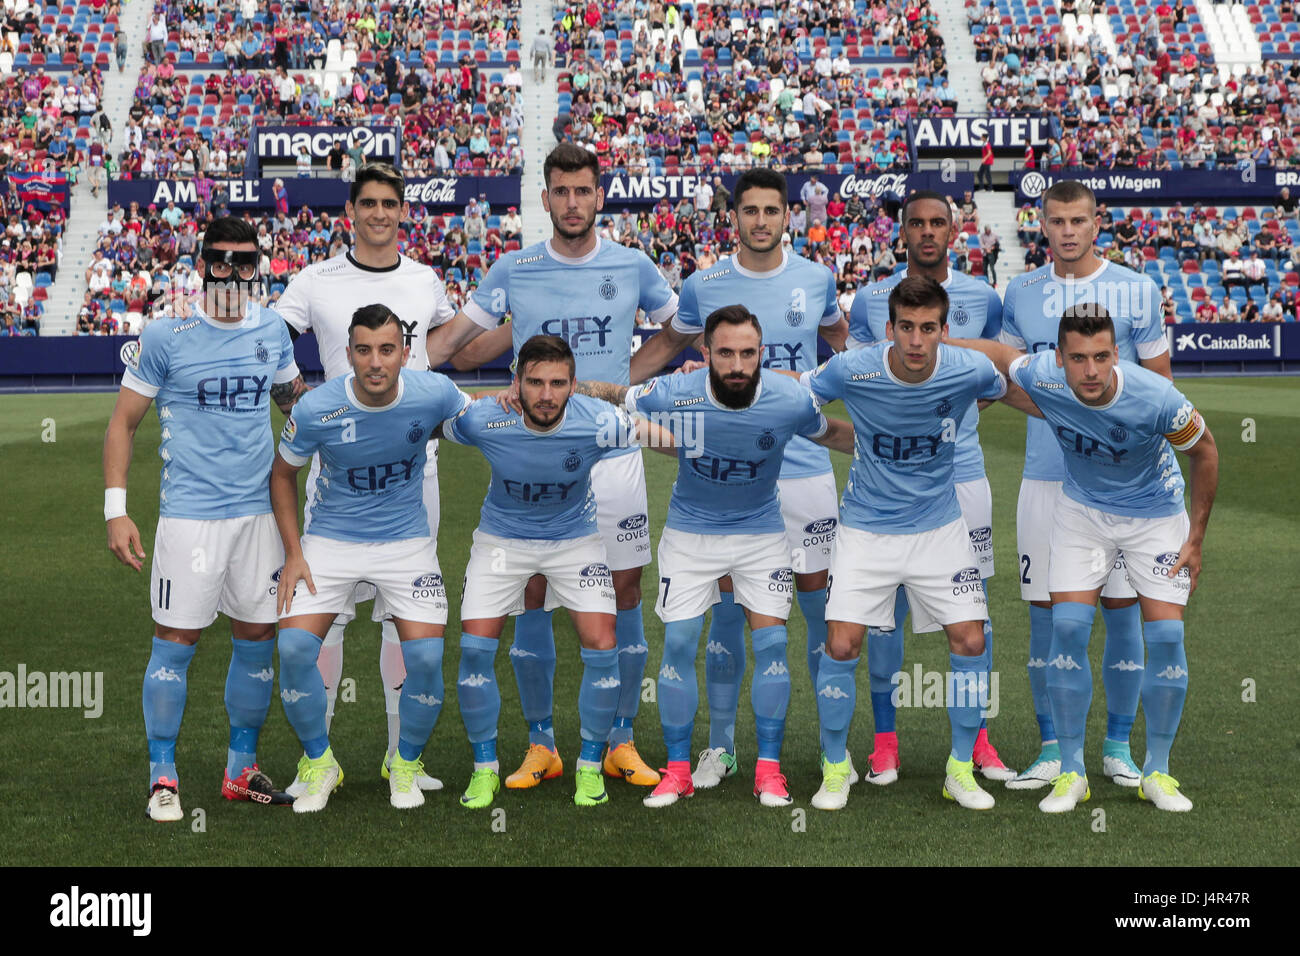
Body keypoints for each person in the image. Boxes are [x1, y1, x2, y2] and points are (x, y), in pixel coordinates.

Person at [426, 144, 680, 790]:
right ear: (544, 200)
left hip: (614, 453)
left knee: (624, 596)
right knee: (530, 593)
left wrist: (621, 384)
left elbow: (684, 331)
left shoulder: (632, 265)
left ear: (600, 196)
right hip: (535, 445)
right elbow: (458, 346)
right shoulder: (515, 268)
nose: (572, 203)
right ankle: (542, 743)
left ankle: (620, 739)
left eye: (583, 191)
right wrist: (394, 374)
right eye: (560, 192)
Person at [576, 305, 856, 807]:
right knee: (679, 643)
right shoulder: (674, 393)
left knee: (771, 645)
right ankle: (678, 770)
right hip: (690, 535)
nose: (737, 365)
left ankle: (768, 771)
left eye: (748, 354)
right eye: (725, 353)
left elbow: (831, 433)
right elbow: (617, 396)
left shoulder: (789, 398)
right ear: (705, 355)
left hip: (761, 535)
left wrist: (887, 445)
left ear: (762, 355)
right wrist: (564, 388)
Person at [953, 305, 1218, 812]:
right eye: (1078, 358)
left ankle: (1157, 771)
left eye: (1101, 357)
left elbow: (1204, 450)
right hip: (1083, 513)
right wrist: (933, 350)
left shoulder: (1155, 396)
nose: (1090, 371)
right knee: (1067, 629)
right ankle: (1071, 772)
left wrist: (1196, 536)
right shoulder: (1044, 375)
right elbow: (999, 355)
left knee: (1165, 634)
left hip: (1155, 516)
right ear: (1059, 358)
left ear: (1116, 354)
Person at [802, 276, 1037, 811]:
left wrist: (1087, 419)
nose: (915, 340)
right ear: (888, 329)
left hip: (940, 526)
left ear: (943, 331)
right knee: (841, 646)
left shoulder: (969, 369)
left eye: (927, 328)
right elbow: (800, 396)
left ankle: (959, 769)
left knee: (971, 641)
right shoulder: (852, 367)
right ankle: (836, 767)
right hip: (866, 528)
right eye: (905, 327)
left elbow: (1017, 394)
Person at [103, 216, 307, 821]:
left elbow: (296, 406)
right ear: (200, 264)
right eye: (219, 260)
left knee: (256, 638)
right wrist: (117, 510)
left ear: (258, 266)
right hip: (189, 517)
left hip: (259, 516)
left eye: (245, 261)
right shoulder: (166, 335)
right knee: (176, 641)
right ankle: (161, 775)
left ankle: (240, 769)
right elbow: (123, 425)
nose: (232, 272)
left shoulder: (272, 329)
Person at [275, 163, 459, 796]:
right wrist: (295, 400)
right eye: (369, 203)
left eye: (390, 203)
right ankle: (317, 760)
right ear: (351, 210)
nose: (380, 213)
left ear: (403, 210)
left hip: (415, 473)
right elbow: (271, 339)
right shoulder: (315, 280)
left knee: (402, 623)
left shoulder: (425, 279)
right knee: (329, 622)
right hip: (336, 476)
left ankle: (396, 755)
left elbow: (443, 350)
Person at [664, 169, 850, 789]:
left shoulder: (817, 278)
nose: (762, 221)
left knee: (820, 609)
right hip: (734, 480)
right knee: (724, 610)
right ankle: (721, 748)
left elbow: (839, 345)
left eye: (773, 210)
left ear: (788, 216)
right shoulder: (703, 284)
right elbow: (678, 349)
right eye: (751, 211)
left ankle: (831, 754)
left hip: (805, 469)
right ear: (734, 216)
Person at [439, 335, 677, 809]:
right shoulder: (488, 418)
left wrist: (712, 439)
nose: (546, 394)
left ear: (573, 386)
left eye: (557, 383)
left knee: (602, 644)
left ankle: (591, 767)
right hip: (502, 543)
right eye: (535, 383)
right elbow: (425, 424)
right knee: (473, 649)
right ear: (518, 383)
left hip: (575, 543)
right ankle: (486, 768)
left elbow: (670, 439)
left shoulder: (599, 421)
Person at [1001, 179, 1173, 791]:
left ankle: (1119, 746)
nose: (1067, 231)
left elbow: (1161, 388)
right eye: (1056, 221)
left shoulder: (1137, 289)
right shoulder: (1019, 292)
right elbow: (1006, 378)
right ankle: (1053, 747)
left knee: (1124, 613)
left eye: (1078, 220)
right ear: (1040, 225)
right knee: (1048, 616)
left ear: (1097, 222)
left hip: (1126, 485)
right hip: (1047, 478)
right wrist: (1060, 414)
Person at [846, 190, 1015, 786]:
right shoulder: (871, 299)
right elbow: (863, 383)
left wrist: (946, 427)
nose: (926, 233)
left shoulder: (984, 298)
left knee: (973, 616)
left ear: (954, 229)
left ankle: (978, 744)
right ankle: (885, 744)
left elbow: (988, 380)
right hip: (887, 482)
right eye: (915, 223)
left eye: (937, 223)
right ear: (902, 231)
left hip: (963, 477)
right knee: (884, 614)